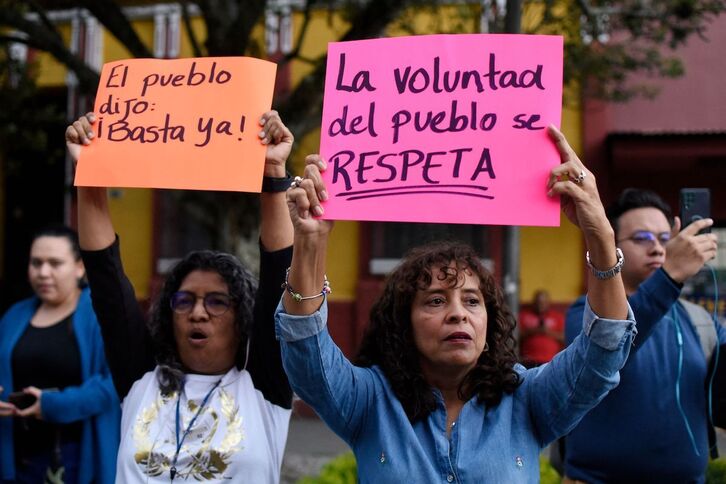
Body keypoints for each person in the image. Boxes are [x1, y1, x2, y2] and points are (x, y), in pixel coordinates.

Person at [275, 126, 636, 482]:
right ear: (404, 323)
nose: (458, 313)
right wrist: (311, 242)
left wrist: (600, 234)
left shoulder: (528, 399)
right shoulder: (369, 402)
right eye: (435, 300)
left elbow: (603, 351)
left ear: (489, 322)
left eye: (472, 301)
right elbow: (307, 352)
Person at [65, 110, 294, 482]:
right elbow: (106, 277)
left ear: (243, 317)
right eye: (184, 301)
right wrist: (89, 172)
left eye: (217, 302)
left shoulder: (263, 387)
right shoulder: (141, 379)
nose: (198, 313)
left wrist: (272, 172)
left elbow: (278, 272)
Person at [563, 188, 723, 483]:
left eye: (665, 239)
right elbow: (610, 342)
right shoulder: (585, 314)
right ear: (612, 247)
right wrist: (670, 275)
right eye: (642, 239)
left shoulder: (701, 321)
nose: (658, 249)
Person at [0, 226, 119, 483]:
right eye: (36, 263)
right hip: (17, 458)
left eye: (55, 263)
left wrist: (53, 405)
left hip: (75, 457)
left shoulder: (100, 314)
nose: (43, 273)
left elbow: (115, 382)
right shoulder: (15, 315)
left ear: (79, 267)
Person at [518, 289, 564, 367]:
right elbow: (516, 335)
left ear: (548, 303)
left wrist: (547, 332)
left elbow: (564, 337)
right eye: (538, 302)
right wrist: (534, 331)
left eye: (543, 303)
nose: (540, 305)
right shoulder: (524, 315)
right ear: (534, 303)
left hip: (550, 361)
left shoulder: (557, 317)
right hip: (529, 361)